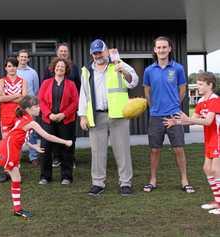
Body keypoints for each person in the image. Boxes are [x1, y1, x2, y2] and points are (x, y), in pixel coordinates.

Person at [78, 39, 138, 196]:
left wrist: (123, 71)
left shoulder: (118, 63)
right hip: (97, 115)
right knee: (97, 152)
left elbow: (134, 82)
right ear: (91, 54)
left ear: (106, 51)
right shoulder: (86, 71)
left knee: (123, 151)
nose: (98, 55)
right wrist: (83, 115)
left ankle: (125, 183)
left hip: (119, 115)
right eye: (95, 53)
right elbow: (83, 95)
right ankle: (98, 183)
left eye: (100, 52)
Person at [143, 36, 195, 193]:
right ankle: (152, 180)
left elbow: (183, 90)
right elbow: (147, 91)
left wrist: (174, 106)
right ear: (154, 50)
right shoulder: (149, 70)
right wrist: (154, 108)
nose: (161, 50)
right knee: (154, 150)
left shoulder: (177, 68)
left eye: (164, 47)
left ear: (170, 49)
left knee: (178, 149)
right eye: (158, 47)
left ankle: (184, 180)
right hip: (156, 116)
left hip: (174, 115)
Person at [164, 72, 220, 214]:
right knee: (207, 169)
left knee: (216, 170)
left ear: (210, 85)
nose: (198, 86)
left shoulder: (215, 100)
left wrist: (188, 120)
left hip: (218, 138)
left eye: (201, 84)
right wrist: (177, 121)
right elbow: (191, 119)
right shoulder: (201, 101)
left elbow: (208, 121)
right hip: (209, 139)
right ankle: (217, 201)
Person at [38, 57, 78, 185]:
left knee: (66, 148)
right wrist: (49, 114)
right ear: (53, 68)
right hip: (48, 120)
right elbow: (41, 100)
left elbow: (75, 102)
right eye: (58, 66)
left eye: (62, 66)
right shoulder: (46, 83)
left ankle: (66, 176)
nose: (59, 68)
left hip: (66, 121)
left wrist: (64, 114)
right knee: (45, 147)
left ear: (66, 70)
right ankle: (45, 176)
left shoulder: (71, 84)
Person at [43, 42, 80, 168]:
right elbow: (44, 92)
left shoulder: (74, 68)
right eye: (61, 51)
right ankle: (56, 157)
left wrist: (71, 109)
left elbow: (78, 87)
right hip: (52, 111)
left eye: (65, 51)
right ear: (57, 53)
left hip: (69, 109)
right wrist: (49, 113)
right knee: (53, 134)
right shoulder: (49, 68)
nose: (63, 53)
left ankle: (71, 158)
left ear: (68, 53)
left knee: (69, 135)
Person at [0, 57, 27, 182]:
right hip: (5, 116)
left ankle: (16, 170)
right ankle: (7, 170)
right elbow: (0, 99)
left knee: (17, 144)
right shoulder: (2, 81)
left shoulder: (22, 81)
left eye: (14, 66)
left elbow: (24, 98)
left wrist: (7, 97)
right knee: (6, 144)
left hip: (18, 115)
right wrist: (16, 96)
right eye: (9, 66)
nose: (12, 68)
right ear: (5, 68)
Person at [16, 49, 40, 166]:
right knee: (17, 131)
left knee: (32, 131)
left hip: (29, 106)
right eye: (21, 57)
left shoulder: (33, 72)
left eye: (25, 57)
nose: (23, 59)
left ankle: (33, 156)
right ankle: (16, 156)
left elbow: (36, 90)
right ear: (18, 58)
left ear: (28, 59)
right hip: (16, 105)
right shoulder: (13, 71)